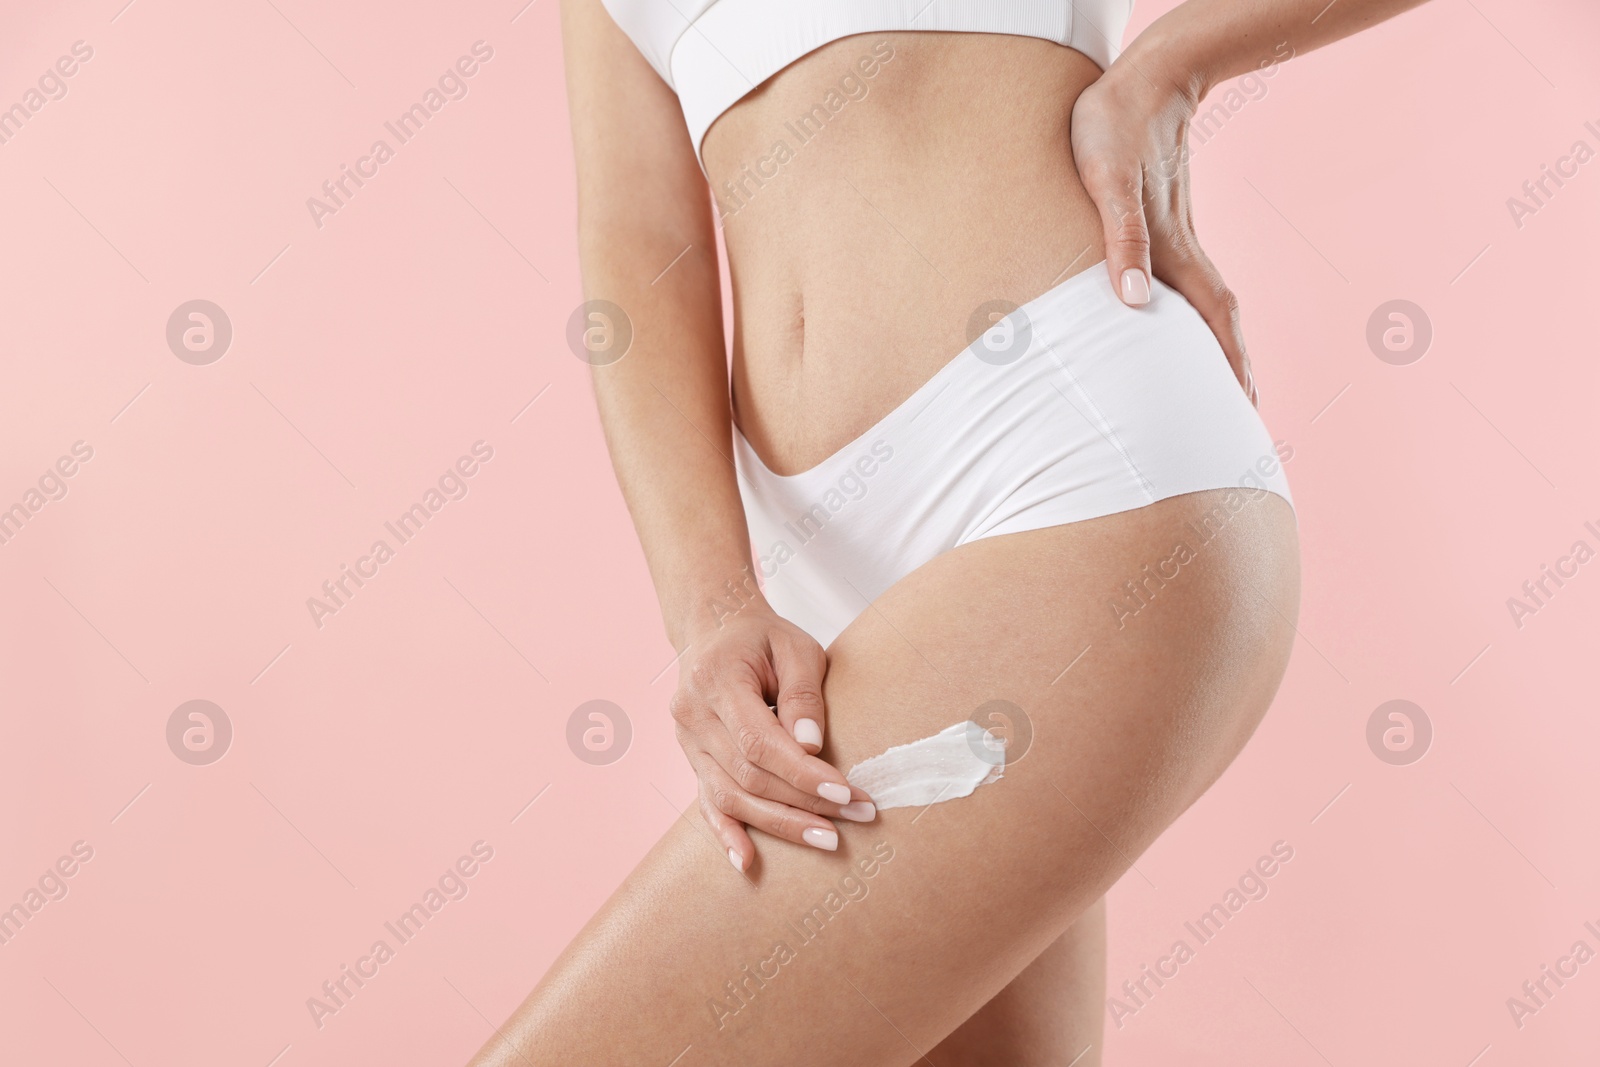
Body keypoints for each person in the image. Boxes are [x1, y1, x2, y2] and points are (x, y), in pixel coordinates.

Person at [471, 1, 1426, 1062]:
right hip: (824, 585)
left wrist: (1174, 64)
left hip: (1065, 462)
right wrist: (710, 603)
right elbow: (637, 243)